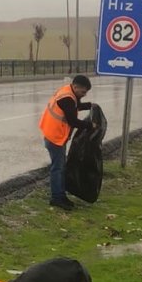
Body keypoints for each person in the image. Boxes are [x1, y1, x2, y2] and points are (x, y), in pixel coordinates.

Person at [39, 73, 92, 211]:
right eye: (83, 91)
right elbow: (73, 121)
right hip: (55, 137)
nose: (84, 94)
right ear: (75, 86)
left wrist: (90, 106)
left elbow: (75, 107)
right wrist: (90, 126)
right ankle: (56, 197)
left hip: (53, 133)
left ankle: (60, 195)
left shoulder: (68, 92)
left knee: (60, 167)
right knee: (58, 168)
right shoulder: (67, 98)